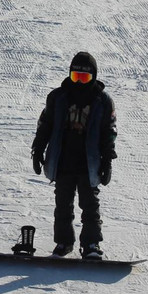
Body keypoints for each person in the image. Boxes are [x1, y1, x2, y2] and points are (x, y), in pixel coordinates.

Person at [31, 51, 118, 259]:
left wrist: (108, 160)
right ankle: (64, 242)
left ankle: (91, 245)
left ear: (93, 77)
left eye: (84, 78)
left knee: (90, 205)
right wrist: (38, 150)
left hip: (89, 162)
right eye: (75, 77)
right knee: (63, 203)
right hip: (62, 160)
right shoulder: (58, 97)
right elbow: (45, 125)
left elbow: (109, 132)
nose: (79, 83)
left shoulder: (103, 101)